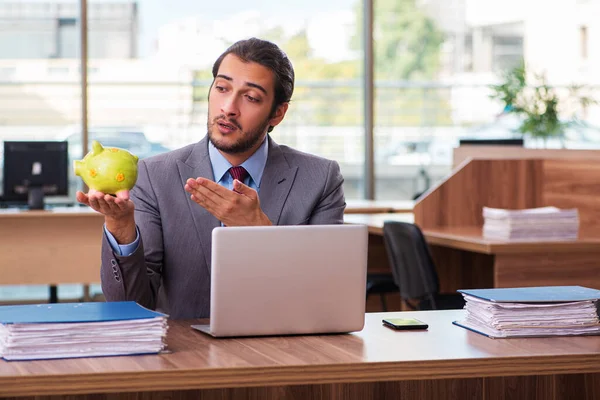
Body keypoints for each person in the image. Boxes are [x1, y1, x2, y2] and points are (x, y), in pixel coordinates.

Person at [76, 38, 346, 319]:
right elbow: (131, 305)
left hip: (285, 349)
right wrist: (120, 227)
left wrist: (262, 233)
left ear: (277, 113)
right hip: (188, 355)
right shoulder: (155, 176)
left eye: (251, 97)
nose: (228, 107)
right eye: (222, 88)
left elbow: (328, 300)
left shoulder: (320, 179)